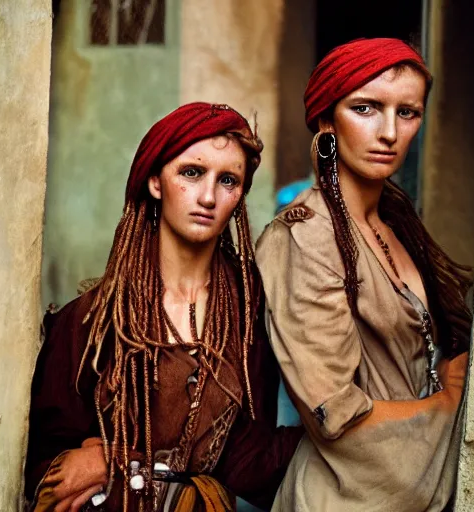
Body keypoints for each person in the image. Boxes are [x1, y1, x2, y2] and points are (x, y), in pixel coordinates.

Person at [25, 102, 303, 512]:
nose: (208, 196)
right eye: (191, 173)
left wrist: (364, 433)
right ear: (156, 181)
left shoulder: (250, 315)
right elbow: (44, 468)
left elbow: (248, 461)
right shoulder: (94, 320)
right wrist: (100, 463)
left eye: (228, 180)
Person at [256, 38, 472, 511]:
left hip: (412, 487)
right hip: (343, 496)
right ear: (326, 120)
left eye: (408, 112)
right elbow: (336, 415)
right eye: (366, 108)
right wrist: (453, 403)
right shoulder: (305, 236)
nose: (390, 132)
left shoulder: (396, 222)